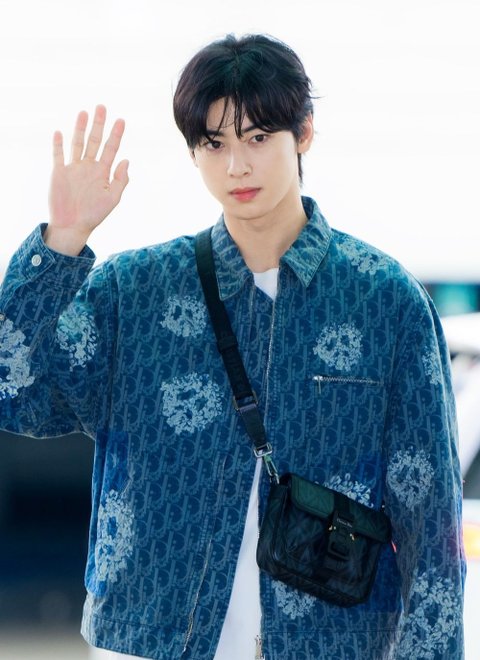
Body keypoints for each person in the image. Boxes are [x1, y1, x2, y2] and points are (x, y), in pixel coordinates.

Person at [0, 33, 465, 659]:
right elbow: (17, 394)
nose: (236, 167)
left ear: (304, 133)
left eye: (258, 137)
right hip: (148, 639)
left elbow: (430, 518)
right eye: (214, 144)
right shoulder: (135, 291)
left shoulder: (385, 301)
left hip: (329, 644)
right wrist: (62, 240)